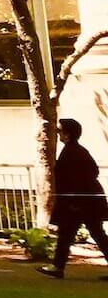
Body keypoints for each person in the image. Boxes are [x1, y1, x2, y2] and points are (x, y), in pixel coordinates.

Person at [43, 118, 108, 279]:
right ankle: (57, 266)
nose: (58, 134)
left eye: (60, 131)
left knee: (70, 233)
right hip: (85, 201)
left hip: (80, 203)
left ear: (67, 134)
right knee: (92, 234)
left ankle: (57, 267)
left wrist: (75, 201)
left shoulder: (72, 152)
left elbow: (78, 178)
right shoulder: (76, 151)